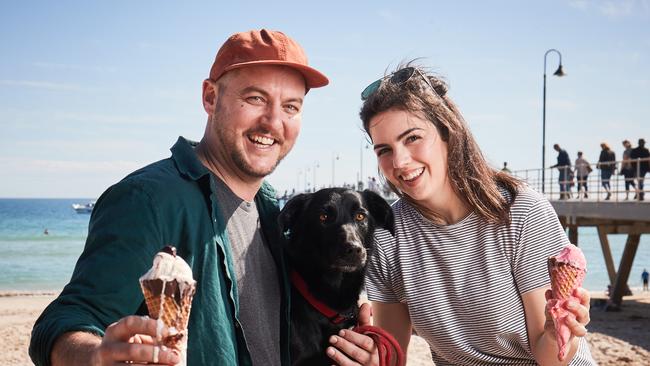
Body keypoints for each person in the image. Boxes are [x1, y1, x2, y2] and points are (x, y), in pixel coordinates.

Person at [29, 29, 329, 366]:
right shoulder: (148, 200)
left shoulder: (272, 209)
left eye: (291, 107)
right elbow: (67, 320)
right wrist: (96, 355)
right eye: (255, 98)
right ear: (210, 97)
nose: (274, 122)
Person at [327, 63, 595, 365]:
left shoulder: (522, 213)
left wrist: (558, 330)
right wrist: (374, 357)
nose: (399, 161)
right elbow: (393, 355)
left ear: (447, 132)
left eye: (412, 138)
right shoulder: (386, 236)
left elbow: (551, 358)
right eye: (384, 150)